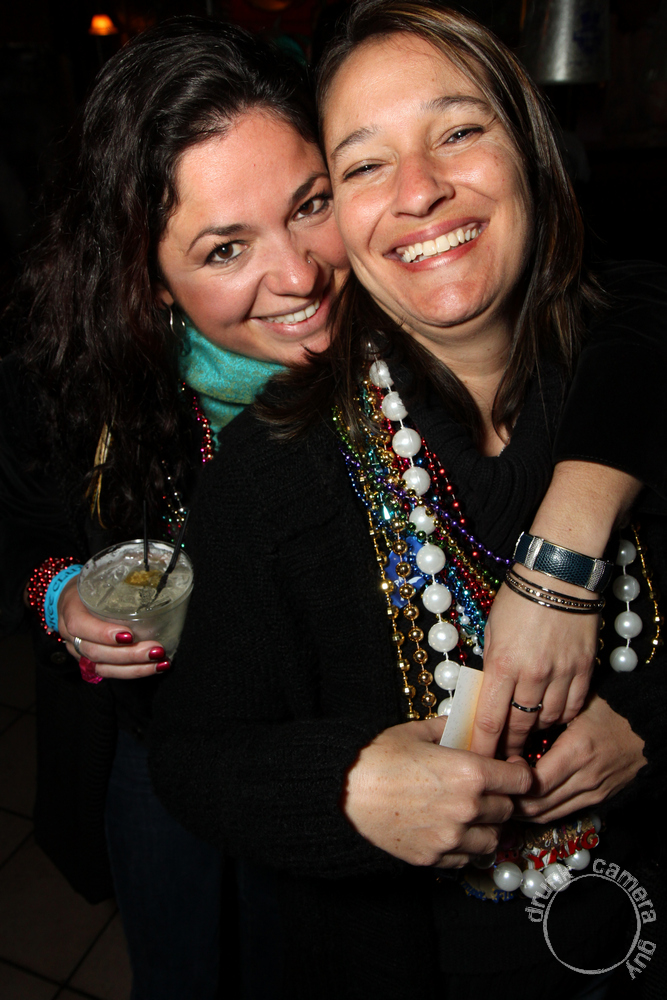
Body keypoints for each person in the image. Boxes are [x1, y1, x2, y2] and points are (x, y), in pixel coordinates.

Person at [149, 3, 667, 998]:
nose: (420, 190)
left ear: (530, 147)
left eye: (458, 130)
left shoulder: (629, 382)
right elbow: (190, 755)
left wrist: (645, 719)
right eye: (364, 165)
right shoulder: (272, 475)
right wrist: (343, 786)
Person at [0, 17, 347, 999]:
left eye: (311, 204)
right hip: (155, 756)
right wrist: (58, 593)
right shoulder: (84, 379)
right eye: (226, 247)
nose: (299, 275)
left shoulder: (412, 344)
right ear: (147, 278)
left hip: (332, 758)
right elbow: (20, 526)